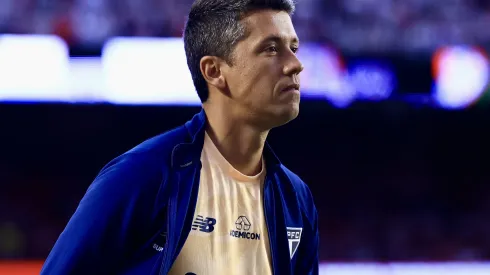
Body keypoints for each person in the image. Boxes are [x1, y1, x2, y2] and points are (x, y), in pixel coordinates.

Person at [41, 0, 319, 274]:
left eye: (293, 48)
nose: (295, 64)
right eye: (271, 49)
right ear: (214, 71)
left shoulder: (296, 198)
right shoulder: (141, 175)